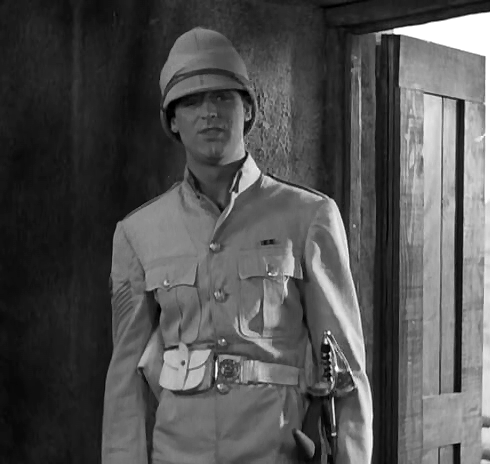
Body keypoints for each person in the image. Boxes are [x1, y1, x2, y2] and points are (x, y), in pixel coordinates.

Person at [101, 27, 373, 464]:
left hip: (276, 453)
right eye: (191, 102)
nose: (209, 112)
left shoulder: (308, 216)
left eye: (223, 97)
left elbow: (343, 369)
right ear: (172, 120)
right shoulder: (139, 232)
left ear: (247, 108)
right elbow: (125, 382)